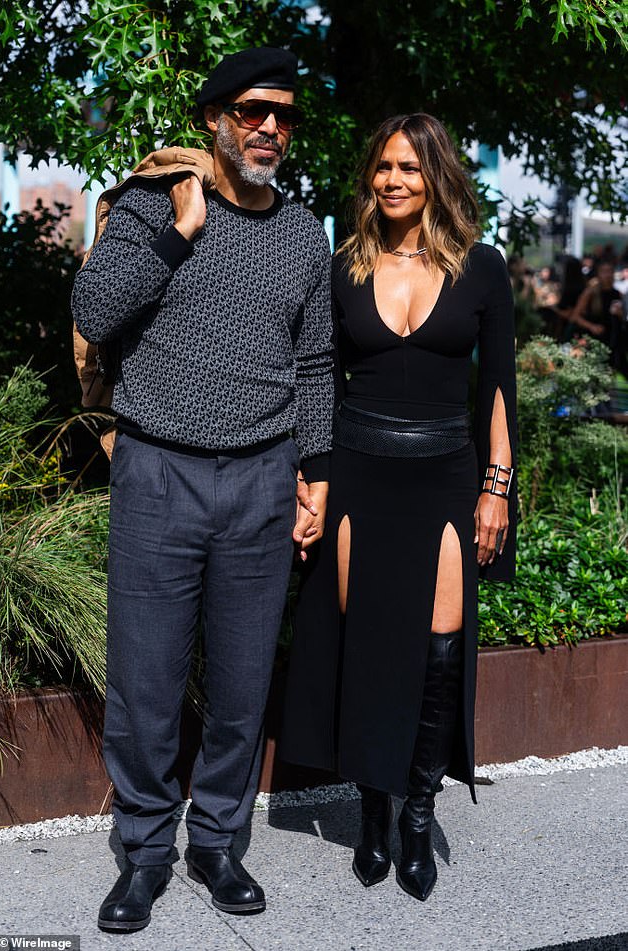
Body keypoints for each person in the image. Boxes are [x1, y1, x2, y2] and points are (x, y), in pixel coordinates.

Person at [72, 46, 333, 932]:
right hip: (158, 471)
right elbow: (94, 313)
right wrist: (179, 231)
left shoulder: (303, 231)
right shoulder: (151, 205)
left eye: (285, 115)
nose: (270, 128)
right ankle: (143, 853)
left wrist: (316, 474)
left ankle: (216, 841)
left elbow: (317, 362)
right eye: (254, 111)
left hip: (263, 476)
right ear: (215, 118)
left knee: (241, 678)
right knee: (144, 680)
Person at [281, 113, 517, 902]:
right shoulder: (344, 266)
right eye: (383, 167)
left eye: (410, 169)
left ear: (436, 177)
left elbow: (498, 388)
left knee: (439, 655)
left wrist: (497, 487)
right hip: (359, 474)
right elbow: (317, 376)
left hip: (446, 479)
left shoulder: (482, 268)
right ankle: (374, 811)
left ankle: (419, 811)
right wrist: (310, 477)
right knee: (367, 646)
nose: (393, 180)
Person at [571, 259, 626, 373]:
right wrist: (591, 327)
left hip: (611, 340)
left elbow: (623, 319)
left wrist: (621, 314)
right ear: (598, 274)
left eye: (610, 271)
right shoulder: (590, 293)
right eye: (604, 271)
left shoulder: (617, 294)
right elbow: (575, 316)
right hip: (592, 340)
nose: (607, 275)